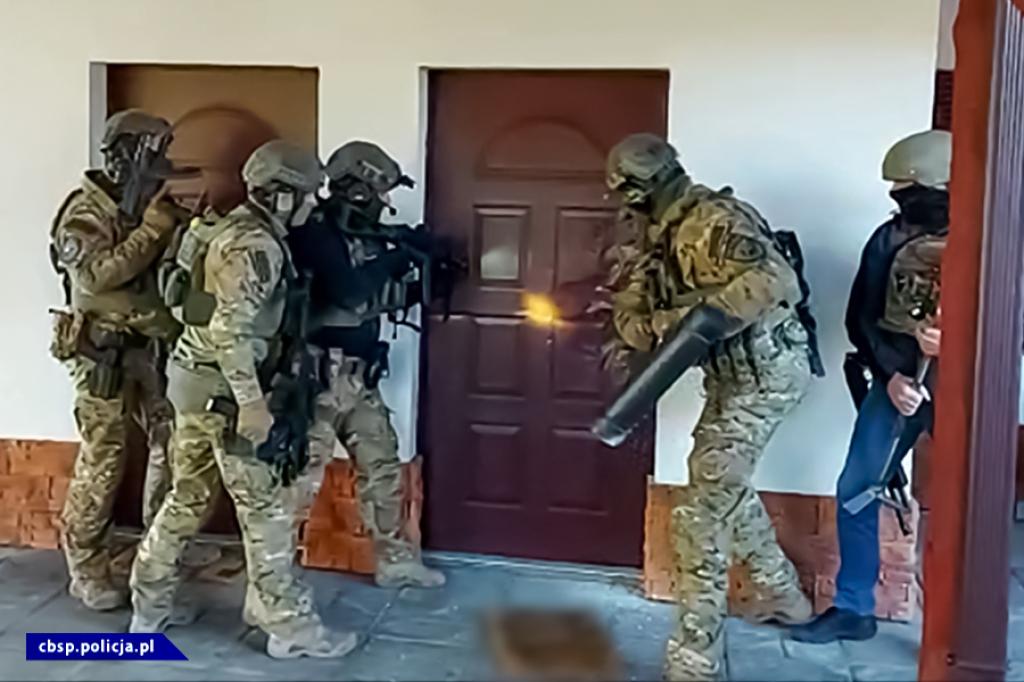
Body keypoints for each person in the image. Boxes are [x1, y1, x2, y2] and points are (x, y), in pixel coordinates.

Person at [603, 133, 821, 680]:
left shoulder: (714, 221)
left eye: (626, 192)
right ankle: (782, 592)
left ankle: (695, 658)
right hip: (731, 379)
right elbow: (635, 319)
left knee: (699, 515)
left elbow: (777, 280)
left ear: (641, 187)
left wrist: (682, 321)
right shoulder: (661, 233)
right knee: (719, 485)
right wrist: (646, 317)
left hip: (766, 377)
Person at [129, 140, 357, 660]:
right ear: (280, 195)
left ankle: (149, 610)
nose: (312, 204)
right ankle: (290, 627)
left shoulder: (223, 227)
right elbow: (229, 331)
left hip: (193, 387)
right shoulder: (256, 246)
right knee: (266, 512)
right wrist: (252, 404)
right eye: (305, 194)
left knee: (186, 499)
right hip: (226, 397)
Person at [792, 130, 949, 644]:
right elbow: (862, 319)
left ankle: (958, 620)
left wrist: (959, 341)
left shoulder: (995, 239)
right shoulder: (888, 240)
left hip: (966, 391)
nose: (899, 198)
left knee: (965, 503)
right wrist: (892, 376)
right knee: (858, 490)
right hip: (899, 384)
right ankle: (853, 607)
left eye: (909, 188)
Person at [286, 140, 445, 588]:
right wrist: (398, 256)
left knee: (383, 469)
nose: (385, 202)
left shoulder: (360, 234)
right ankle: (274, 579)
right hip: (316, 379)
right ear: (358, 188)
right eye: (380, 192)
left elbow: (374, 298)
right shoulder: (314, 232)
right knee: (298, 483)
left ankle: (395, 561)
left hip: (358, 376)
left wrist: (425, 270)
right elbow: (350, 292)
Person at [48, 109, 187, 611]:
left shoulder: (146, 204)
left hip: (150, 350)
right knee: (103, 458)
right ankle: (87, 567)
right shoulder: (86, 212)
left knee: (172, 450)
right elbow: (96, 278)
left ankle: (154, 561)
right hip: (101, 353)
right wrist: (151, 231)